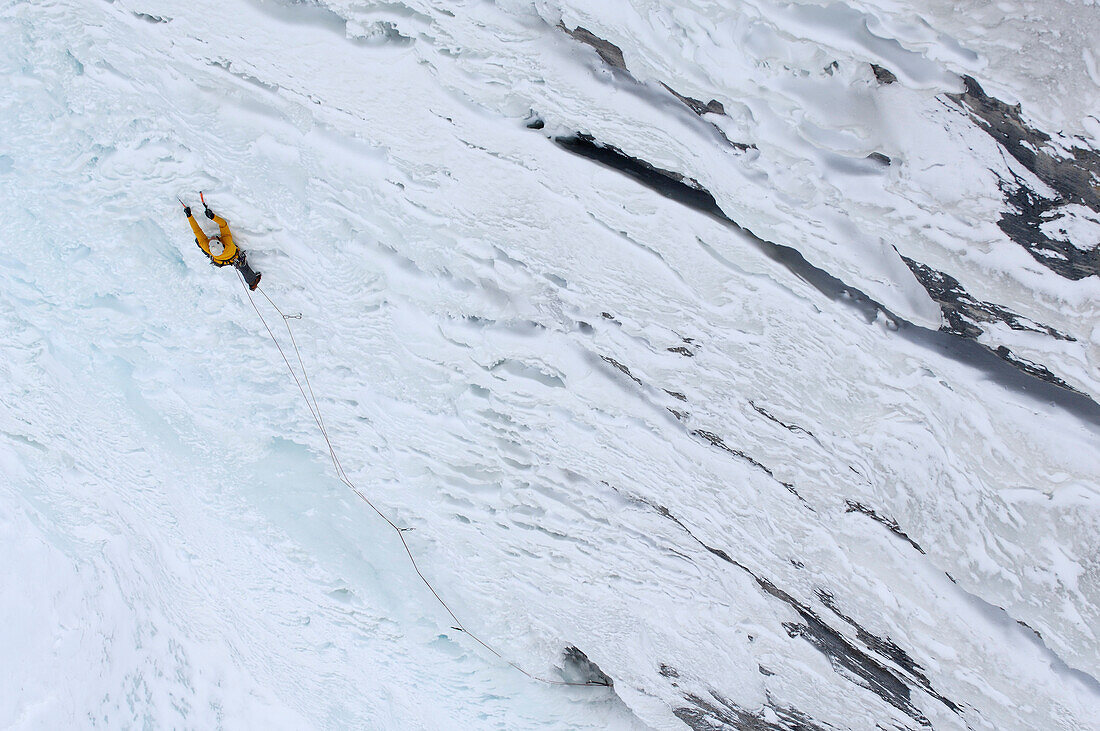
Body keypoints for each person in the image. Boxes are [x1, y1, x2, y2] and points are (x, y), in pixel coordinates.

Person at [182, 198, 262, 290]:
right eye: (213, 238)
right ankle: (252, 281)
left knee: (198, 241)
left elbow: (197, 231)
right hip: (230, 256)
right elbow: (223, 224)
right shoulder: (227, 242)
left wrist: (189, 216)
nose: (211, 237)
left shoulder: (206, 247)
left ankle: (252, 281)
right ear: (221, 243)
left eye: (211, 239)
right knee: (241, 265)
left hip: (219, 260)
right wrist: (212, 217)